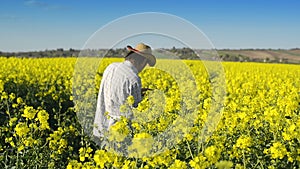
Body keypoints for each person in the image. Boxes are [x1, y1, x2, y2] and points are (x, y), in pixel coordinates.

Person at [93, 43, 156, 138]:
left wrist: (139, 91)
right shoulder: (134, 79)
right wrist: (148, 102)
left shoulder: (111, 67)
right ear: (143, 61)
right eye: (146, 64)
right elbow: (136, 111)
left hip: (101, 127)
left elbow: (115, 91)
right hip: (118, 135)